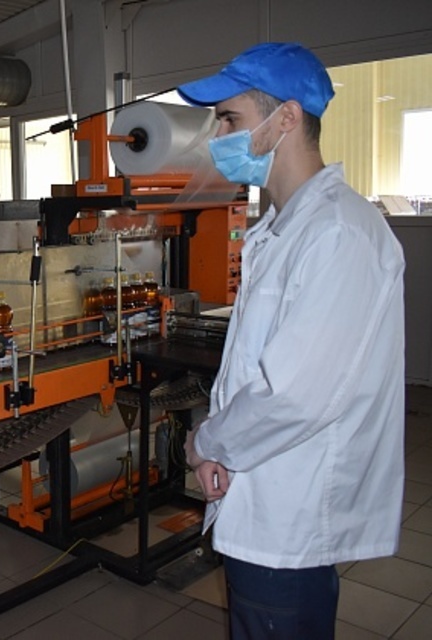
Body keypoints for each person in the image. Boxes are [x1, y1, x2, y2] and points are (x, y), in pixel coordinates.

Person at [177, 42, 405, 639]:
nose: (218, 135)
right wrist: (222, 448)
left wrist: (206, 442)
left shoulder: (339, 233)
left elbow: (295, 394)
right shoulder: (285, 226)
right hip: (263, 496)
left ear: (286, 118)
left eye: (230, 119)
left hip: (289, 517)